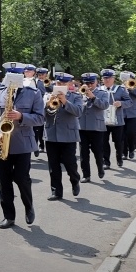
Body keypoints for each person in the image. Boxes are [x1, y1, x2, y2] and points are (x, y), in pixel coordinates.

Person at [0, 62, 45, 229]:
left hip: (23, 143)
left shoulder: (33, 93)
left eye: (15, 76)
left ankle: (29, 206)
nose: (12, 80)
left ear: (21, 77)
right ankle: (9, 216)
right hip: (2, 143)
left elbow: (40, 118)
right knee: (4, 182)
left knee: (21, 178)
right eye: (10, 76)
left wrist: (21, 116)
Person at [43, 72, 83, 200]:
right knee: (53, 165)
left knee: (69, 163)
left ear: (69, 84)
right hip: (52, 134)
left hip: (68, 135)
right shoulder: (48, 96)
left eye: (64, 83)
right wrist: (48, 103)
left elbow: (78, 112)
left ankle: (75, 180)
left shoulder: (75, 96)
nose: (60, 85)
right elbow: (43, 114)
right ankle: (56, 191)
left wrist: (65, 101)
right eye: (59, 83)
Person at [78, 73, 110, 183]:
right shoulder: (79, 93)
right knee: (83, 153)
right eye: (87, 83)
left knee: (97, 151)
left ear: (96, 82)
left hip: (96, 127)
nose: (89, 85)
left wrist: (93, 97)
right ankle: (86, 175)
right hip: (82, 126)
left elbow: (105, 105)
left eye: (91, 82)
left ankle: (100, 168)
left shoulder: (102, 93)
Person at [99, 68, 132, 169]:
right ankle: (106, 162)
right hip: (103, 121)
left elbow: (129, 102)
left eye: (109, 78)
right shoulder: (99, 90)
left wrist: (121, 103)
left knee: (118, 141)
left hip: (117, 121)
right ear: (102, 79)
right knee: (104, 142)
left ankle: (119, 158)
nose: (107, 80)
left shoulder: (120, 89)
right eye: (105, 78)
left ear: (113, 79)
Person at [119, 71, 136, 159]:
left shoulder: (135, 86)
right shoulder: (119, 88)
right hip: (122, 114)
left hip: (133, 114)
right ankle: (124, 152)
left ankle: (132, 149)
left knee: (132, 133)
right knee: (123, 135)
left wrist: (131, 88)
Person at [24, 64, 47, 157]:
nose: (27, 73)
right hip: (25, 109)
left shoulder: (39, 82)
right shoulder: (21, 81)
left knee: (36, 129)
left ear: (34, 72)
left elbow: (42, 95)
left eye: (29, 71)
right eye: (26, 71)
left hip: (35, 108)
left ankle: (36, 146)